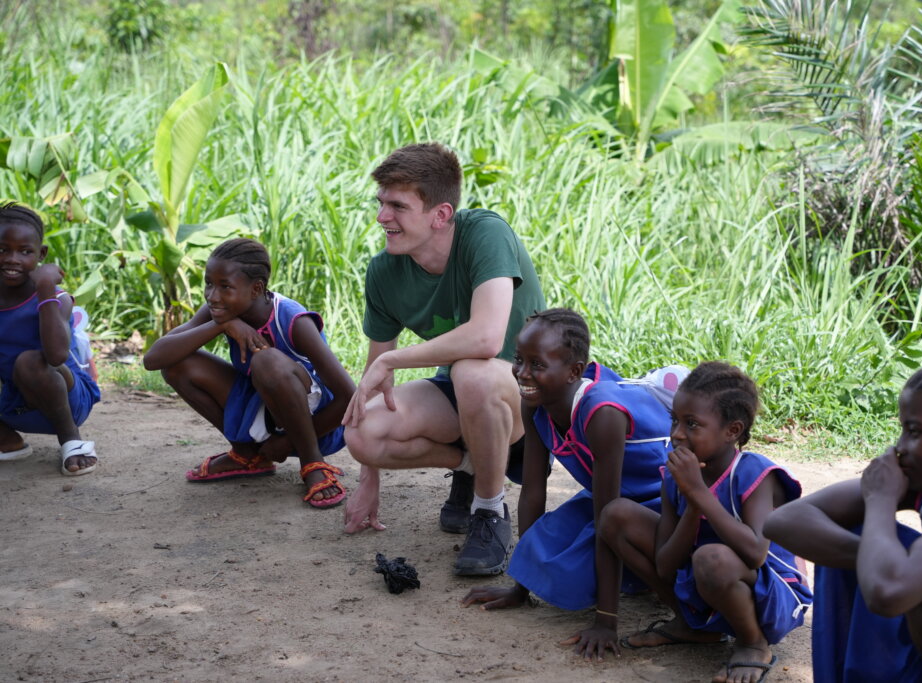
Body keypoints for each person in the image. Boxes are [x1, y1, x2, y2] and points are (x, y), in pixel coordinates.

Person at [341, 142, 545, 576]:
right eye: (381, 204)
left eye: (398, 206)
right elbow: (375, 379)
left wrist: (395, 362)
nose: (382, 218)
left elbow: (487, 337)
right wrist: (368, 479)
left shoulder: (485, 233)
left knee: (473, 372)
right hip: (465, 395)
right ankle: (472, 466)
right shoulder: (384, 272)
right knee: (362, 431)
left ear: (441, 214)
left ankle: (489, 512)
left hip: (528, 396)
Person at [764, 359, 922, 683]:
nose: (900, 447)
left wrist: (881, 502)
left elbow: (887, 591)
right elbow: (783, 521)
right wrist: (896, 560)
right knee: (870, 541)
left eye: (914, 432)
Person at [461, 308, 670, 659]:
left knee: (576, 572)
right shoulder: (536, 403)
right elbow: (532, 491)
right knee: (549, 557)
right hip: (615, 502)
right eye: (518, 360)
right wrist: (520, 585)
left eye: (537, 365)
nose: (523, 374)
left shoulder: (602, 415)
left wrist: (606, 621)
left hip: (659, 505)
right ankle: (633, 576)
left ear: (574, 371)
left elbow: (608, 517)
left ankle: (649, 582)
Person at [599, 362, 810, 682]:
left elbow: (755, 553)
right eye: (674, 420)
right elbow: (665, 564)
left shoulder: (752, 473)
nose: (676, 433)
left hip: (773, 592)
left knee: (709, 557)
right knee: (616, 515)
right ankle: (691, 625)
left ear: (732, 431)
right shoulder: (675, 477)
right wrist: (692, 503)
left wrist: (699, 493)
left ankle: (753, 643)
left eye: (692, 424)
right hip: (709, 576)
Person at [143, 238, 355, 509]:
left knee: (266, 360)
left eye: (225, 286)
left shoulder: (293, 320)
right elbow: (154, 359)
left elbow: (349, 396)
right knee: (177, 364)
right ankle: (248, 455)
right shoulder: (220, 311)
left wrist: (288, 442)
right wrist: (222, 326)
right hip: (264, 409)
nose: (212, 295)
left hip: (318, 422)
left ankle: (313, 462)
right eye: (209, 283)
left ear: (256, 288)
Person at [0, 202, 101, 474]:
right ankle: (8, 440)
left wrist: (44, 288)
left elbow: (56, 356)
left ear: (41, 254)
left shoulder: (56, 297)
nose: (12, 259)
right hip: (13, 404)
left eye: (24, 251)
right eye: (2, 250)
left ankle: (71, 441)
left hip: (66, 399)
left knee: (29, 362)